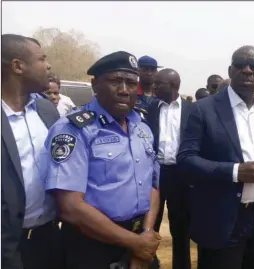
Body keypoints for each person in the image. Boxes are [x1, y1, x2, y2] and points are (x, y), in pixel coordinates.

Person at [44, 51, 161, 269]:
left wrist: (145, 236)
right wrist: (135, 243)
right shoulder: (73, 129)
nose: (125, 90)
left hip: (139, 239)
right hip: (92, 245)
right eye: (116, 81)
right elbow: (70, 206)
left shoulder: (142, 127)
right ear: (95, 85)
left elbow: (153, 186)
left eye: (130, 83)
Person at [177, 45, 254, 269]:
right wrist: (236, 172)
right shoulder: (203, 110)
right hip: (223, 217)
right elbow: (186, 160)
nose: (247, 70)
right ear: (230, 70)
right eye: (241, 65)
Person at [1, 34, 62, 269]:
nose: (48, 66)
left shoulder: (47, 110)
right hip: (8, 245)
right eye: (41, 59)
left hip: (49, 236)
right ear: (18, 66)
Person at [145, 68, 192, 269]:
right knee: (149, 225)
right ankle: (148, 263)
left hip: (180, 176)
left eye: (159, 83)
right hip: (154, 174)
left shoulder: (193, 110)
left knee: (181, 228)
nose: (154, 87)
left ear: (174, 86)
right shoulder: (150, 108)